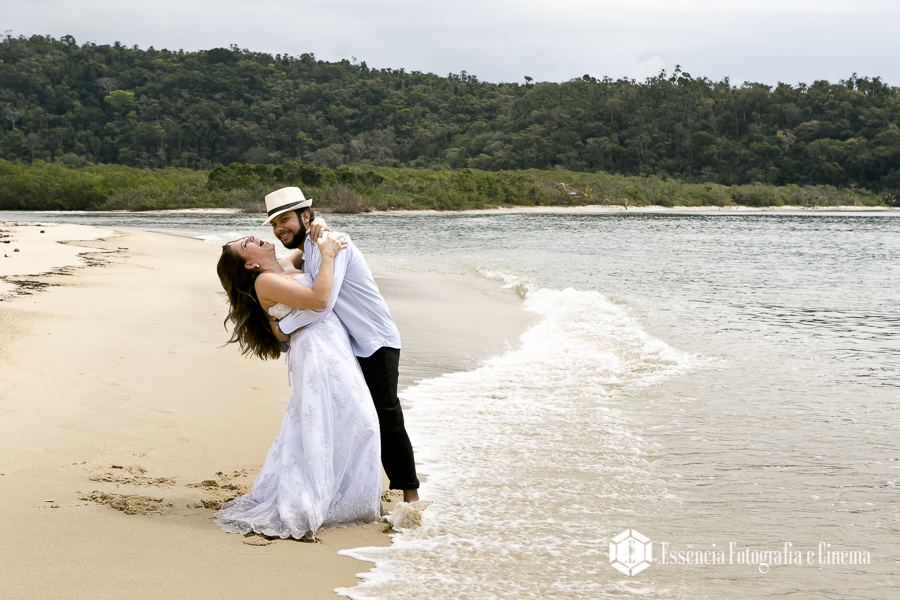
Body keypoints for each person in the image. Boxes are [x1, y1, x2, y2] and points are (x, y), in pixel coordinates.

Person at [213, 231, 382, 541]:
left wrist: (320, 226)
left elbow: (305, 244)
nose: (252, 237)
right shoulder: (265, 282)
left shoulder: (284, 267)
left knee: (348, 419)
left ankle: (346, 497)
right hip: (316, 352)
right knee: (356, 420)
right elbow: (319, 299)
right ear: (249, 264)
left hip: (334, 346)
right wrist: (327, 255)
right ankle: (324, 498)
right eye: (245, 244)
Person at [264, 186, 420, 503]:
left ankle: (411, 497)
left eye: (285, 220)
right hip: (346, 345)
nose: (279, 229)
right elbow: (284, 263)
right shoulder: (310, 248)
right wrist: (315, 226)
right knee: (352, 416)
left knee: (386, 416)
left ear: (304, 216)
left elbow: (323, 304)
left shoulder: (335, 243)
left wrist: (282, 329)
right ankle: (349, 489)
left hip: (374, 341)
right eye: (274, 224)